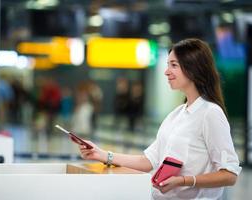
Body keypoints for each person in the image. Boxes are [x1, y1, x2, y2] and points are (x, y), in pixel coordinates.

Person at [77, 38, 241, 199]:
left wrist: (183, 181)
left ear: (194, 69)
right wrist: (102, 154)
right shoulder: (177, 114)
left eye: (174, 65)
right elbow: (148, 160)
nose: (166, 71)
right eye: (168, 65)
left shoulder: (210, 113)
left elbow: (229, 174)